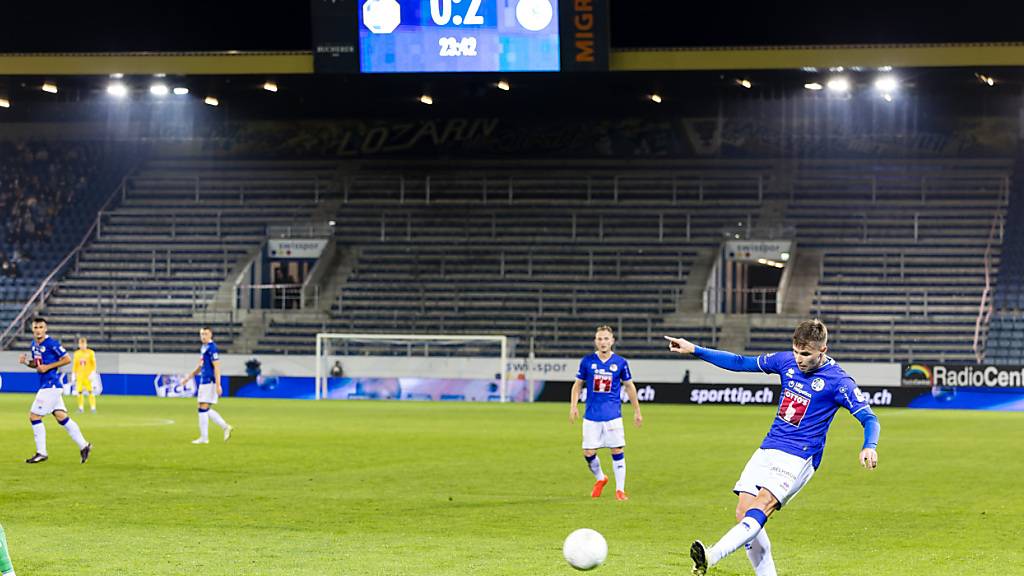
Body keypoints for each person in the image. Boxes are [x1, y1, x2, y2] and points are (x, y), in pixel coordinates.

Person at [665, 319, 881, 576]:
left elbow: (869, 418)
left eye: (806, 354)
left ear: (822, 351)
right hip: (769, 447)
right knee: (744, 511)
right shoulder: (785, 361)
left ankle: (711, 556)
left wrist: (870, 445)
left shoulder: (839, 381)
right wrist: (695, 350)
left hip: (800, 456)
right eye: (796, 351)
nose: (799, 359)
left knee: (763, 505)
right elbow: (739, 362)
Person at [569, 325, 643, 501]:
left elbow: (630, 387)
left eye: (606, 339)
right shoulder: (587, 362)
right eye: (600, 339)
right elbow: (577, 385)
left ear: (612, 341)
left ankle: (620, 490)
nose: (603, 342)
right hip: (591, 415)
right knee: (588, 452)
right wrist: (573, 406)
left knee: (616, 449)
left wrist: (637, 411)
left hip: (613, 416)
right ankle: (601, 478)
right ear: (595, 341)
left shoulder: (620, 363)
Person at [18, 317, 92, 464]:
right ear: (32, 329)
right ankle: (84, 445)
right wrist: (26, 362)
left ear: (45, 329)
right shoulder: (34, 344)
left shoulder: (52, 343)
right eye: (35, 327)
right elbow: (37, 364)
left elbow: (66, 359)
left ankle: (41, 452)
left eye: (41, 327)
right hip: (48, 386)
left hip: (50, 386)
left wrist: (48, 367)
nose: (38, 330)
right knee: (61, 417)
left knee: (34, 416)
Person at [185, 327, 234, 444]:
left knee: (202, 407)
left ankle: (205, 438)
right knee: (204, 408)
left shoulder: (212, 348)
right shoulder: (204, 348)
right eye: (201, 334)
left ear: (211, 335)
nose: (203, 336)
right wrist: (189, 377)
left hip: (209, 381)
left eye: (206, 334)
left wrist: (218, 385)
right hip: (204, 380)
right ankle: (224, 427)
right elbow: (200, 366)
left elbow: (217, 366)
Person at [72, 336, 98, 413]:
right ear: (79, 344)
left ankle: (93, 407)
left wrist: (93, 373)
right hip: (80, 376)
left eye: (84, 344)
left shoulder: (90, 353)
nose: (82, 345)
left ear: (86, 344)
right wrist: (74, 373)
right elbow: (75, 365)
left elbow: (94, 364)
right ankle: (80, 408)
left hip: (88, 376)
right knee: (79, 392)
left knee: (90, 391)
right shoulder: (76, 353)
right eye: (81, 344)